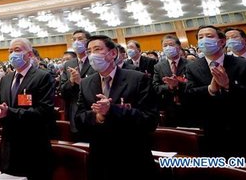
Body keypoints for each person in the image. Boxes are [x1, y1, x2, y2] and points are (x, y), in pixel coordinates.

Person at [75, 35, 159, 180]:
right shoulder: (86, 83)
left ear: (113, 53)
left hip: (132, 156)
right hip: (99, 158)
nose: (92, 55)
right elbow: (78, 118)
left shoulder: (138, 79)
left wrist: (112, 110)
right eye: (89, 52)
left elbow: (150, 120)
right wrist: (98, 117)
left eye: (97, 49)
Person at [185, 25, 246, 162]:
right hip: (211, 131)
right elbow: (189, 95)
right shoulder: (192, 67)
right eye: (200, 37)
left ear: (222, 42)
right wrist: (210, 89)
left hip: (243, 130)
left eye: (209, 36)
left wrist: (228, 86)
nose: (204, 40)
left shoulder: (245, 65)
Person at [0, 38, 55, 180]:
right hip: (9, 145)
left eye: (17, 50)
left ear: (29, 55)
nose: (12, 54)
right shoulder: (6, 79)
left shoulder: (43, 76)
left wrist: (9, 112)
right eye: (10, 51)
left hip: (33, 146)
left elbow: (44, 111)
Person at [60, 29, 95, 137]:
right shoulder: (68, 64)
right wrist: (71, 82)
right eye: (74, 39)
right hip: (74, 112)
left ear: (88, 41)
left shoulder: (95, 61)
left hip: (92, 111)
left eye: (80, 39)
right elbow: (62, 91)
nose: (76, 42)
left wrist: (81, 82)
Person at [152, 35, 190, 127]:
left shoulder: (190, 64)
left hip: (188, 105)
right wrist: (169, 86)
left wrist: (178, 84)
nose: (168, 48)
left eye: (171, 45)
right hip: (168, 108)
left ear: (179, 46)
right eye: (165, 45)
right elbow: (155, 87)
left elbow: (194, 84)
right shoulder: (158, 66)